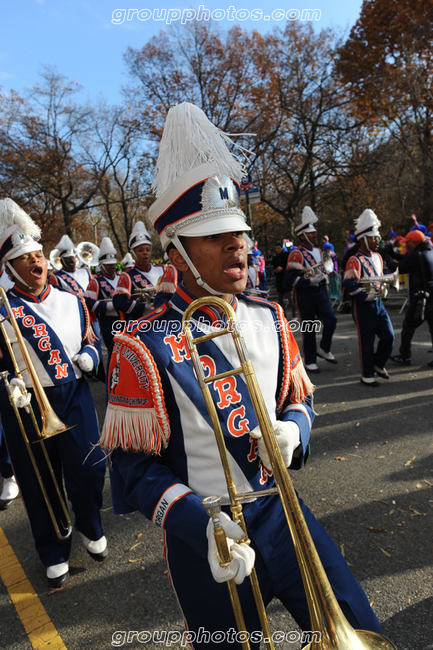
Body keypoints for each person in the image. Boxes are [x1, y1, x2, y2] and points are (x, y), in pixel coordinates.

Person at [101, 103, 382, 649]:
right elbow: (133, 473)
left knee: (358, 622)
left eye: (241, 232)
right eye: (216, 235)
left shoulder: (271, 317)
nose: (238, 243)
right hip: (207, 538)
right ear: (177, 253)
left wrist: (294, 430)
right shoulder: (141, 345)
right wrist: (198, 525)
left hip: (282, 510)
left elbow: (299, 401)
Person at [0, 198, 107, 587]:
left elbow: (94, 343)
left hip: (73, 396)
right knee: (37, 480)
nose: (36, 263)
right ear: (10, 269)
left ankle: (90, 526)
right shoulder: (3, 310)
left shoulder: (73, 301)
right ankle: (53, 550)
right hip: (25, 403)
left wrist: (91, 358)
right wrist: (7, 379)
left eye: (38, 256)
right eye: (25, 259)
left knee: (90, 469)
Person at [342, 209, 395, 386]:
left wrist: (384, 289)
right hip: (363, 305)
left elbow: (380, 277)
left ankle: (378, 364)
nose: (377, 239)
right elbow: (349, 285)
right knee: (367, 341)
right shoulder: (354, 260)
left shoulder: (379, 257)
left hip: (378, 303)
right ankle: (367, 375)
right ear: (363, 239)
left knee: (389, 336)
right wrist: (365, 296)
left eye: (377, 237)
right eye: (373, 237)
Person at [283, 207, 338, 373]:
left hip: (318, 291)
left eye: (315, 233)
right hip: (304, 294)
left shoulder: (318, 250)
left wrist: (320, 276)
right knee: (309, 327)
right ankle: (310, 360)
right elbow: (288, 280)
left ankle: (324, 348)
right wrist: (308, 281)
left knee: (331, 319)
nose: (315, 235)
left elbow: (321, 267)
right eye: (312, 233)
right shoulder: (296, 253)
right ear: (303, 235)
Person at [385, 229, 433, 366]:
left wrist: (386, 256)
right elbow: (407, 259)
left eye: (408, 243)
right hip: (431, 296)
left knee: (408, 327)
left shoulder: (417, 255)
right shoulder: (428, 252)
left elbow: (396, 268)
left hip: (421, 299)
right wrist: (392, 253)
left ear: (414, 243)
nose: (406, 246)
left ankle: (405, 356)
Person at [112, 222, 177, 322]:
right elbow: (118, 302)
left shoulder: (163, 269)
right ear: (133, 253)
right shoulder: (128, 275)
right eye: (140, 250)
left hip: (165, 317)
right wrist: (143, 307)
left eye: (148, 249)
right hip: (142, 321)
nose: (145, 253)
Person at [85, 236, 120, 350]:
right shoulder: (95, 282)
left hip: (125, 319)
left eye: (113, 263)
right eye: (109, 264)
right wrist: (108, 306)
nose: (113, 266)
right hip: (108, 322)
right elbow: (88, 303)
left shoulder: (122, 278)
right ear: (102, 265)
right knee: (113, 350)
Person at [272, 242, 289, 310]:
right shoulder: (275, 257)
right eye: (276, 248)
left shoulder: (287, 255)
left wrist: (283, 268)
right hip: (279, 280)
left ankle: (294, 313)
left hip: (287, 279)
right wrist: (275, 270)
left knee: (290, 298)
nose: (277, 250)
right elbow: (274, 266)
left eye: (279, 248)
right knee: (280, 299)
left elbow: (289, 266)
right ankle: (283, 313)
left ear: (282, 248)